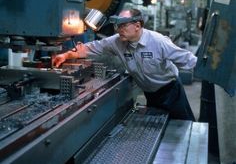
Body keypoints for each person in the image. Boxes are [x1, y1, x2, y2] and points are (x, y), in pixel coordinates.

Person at [53, 8, 197, 121]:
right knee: (158, 125)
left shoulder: (158, 42)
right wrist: (65, 55)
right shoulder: (117, 42)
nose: (118, 29)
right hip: (150, 94)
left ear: (137, 25)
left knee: (183, 125)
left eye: (123, 25)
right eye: (117, 26)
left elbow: (189, 60)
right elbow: (90, 48)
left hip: (171, 91)